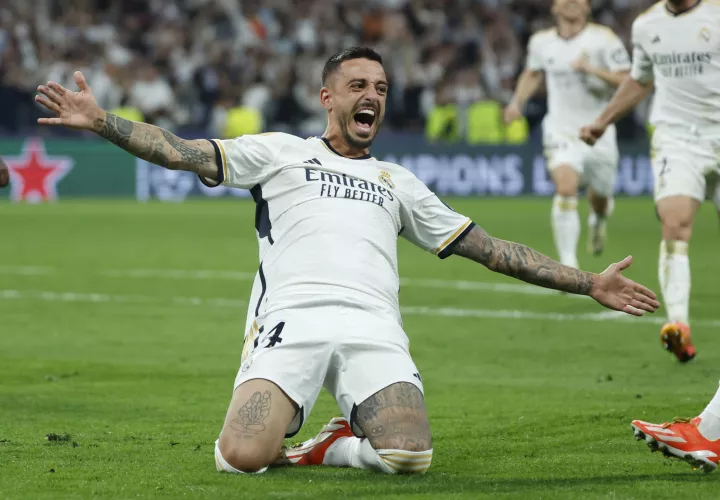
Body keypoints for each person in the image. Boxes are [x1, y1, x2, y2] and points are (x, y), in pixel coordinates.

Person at [35, 47, 659, 476]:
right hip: (294, 319)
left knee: (410, 457)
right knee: (242, 455)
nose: (372, 97)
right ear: (328, 97)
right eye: (359, 86)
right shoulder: (280, 153)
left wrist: (589, 283)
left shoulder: (398, 181)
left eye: (381, 89)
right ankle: (291, 430)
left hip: (373, 328)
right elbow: (184, 152)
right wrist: (102, 122)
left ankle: (333, 445)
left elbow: (491, 249)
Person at [579, 0, 720, 471]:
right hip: (680, 140)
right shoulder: (647, 26)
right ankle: (678, 323)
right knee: (675, 221)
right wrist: (603, 119)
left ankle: (711, 433)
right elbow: (641, 80)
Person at [504, 0, 631, 269]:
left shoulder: (604, 39)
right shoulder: (541, 42)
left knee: (600, 197)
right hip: (561, 129)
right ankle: (568, 265)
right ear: (553, 8)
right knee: (565, 185)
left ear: (588, 8)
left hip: (599, 130)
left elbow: (628, 81)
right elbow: (532, 73)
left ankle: (598, 219)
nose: (572, 2)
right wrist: (517, 102)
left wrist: (592, 70)